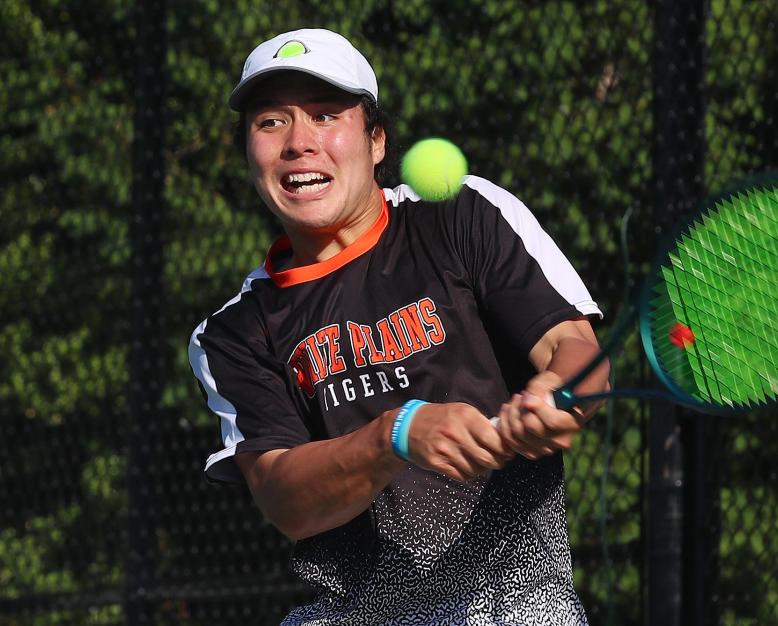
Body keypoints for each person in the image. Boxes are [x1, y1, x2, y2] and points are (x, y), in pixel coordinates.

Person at [189, 28, 609, 626]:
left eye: (326, 115)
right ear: (248, 152)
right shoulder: (233, 333)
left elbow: (574, 349)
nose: (299, 143)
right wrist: (395, 435)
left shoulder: (463, 214)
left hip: (512, 603)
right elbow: (285, 499)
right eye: (271, 122)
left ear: (376, 139)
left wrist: (557, 396)